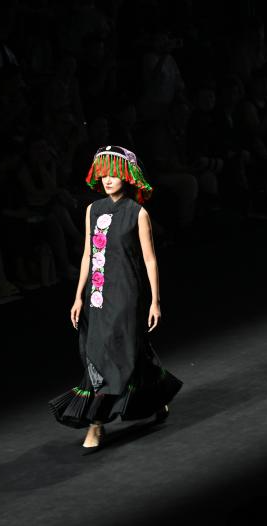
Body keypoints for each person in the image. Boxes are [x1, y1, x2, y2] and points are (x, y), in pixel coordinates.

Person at [49, 146, 183, 453]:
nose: (108, 179)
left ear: (126, 176)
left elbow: (150, 259)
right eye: (103, 174)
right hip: (96, 294)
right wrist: (77, 296)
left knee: (117, 350)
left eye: (114, 174)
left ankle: (96, 422)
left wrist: (155, 301)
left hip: (126, 292)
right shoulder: (92, 210)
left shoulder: (138, 213)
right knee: (103, 349)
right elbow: (88, 254)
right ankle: (154, 397)